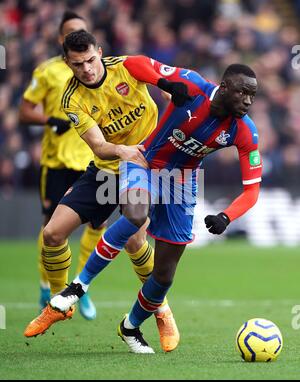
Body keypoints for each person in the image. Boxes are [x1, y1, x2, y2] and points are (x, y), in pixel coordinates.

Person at [35, 54, 262, 354]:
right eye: (242, 92)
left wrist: (226, 216)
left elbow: (252, 191)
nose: (247, 101)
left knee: (165, 273)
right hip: (145, 162)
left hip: (181, 181)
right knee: (135, 212)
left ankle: (130, 326)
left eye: (252, 95)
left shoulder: (245, 130)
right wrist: (163, 82)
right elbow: (135, 64)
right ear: (224, 86)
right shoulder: (193, 85)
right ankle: (77, 287)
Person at [23, 30, 193, 352]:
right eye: (78, 64)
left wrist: (172, 98)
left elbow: (167, 82)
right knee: (52, 234)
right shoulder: (71, 99)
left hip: (148, 165)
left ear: (99, 52)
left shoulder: (128, 67)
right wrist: (123, 150)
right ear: (67, 64)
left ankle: (161, 310)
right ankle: (62, 301)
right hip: (107, 169)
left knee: (135, 240)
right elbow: (99, 146)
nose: (87, 69)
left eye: (90, 60)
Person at [19, 11, 101, 320]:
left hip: (94, 160)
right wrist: (48, 120)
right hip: (56, 160)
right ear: (60, 40)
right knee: (51, 229)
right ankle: (47, 285)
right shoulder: (48, 72)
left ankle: (82, 287)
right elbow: (24, 112)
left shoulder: (101, 70)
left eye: (82, 31)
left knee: (98, 226)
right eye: (70, 34)